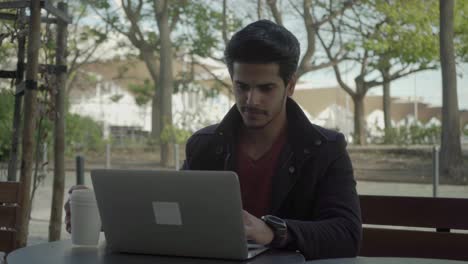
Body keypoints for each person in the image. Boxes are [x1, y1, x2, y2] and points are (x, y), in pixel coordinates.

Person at [65, 20, 361, 260]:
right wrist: (104, 214)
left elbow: (347, 234)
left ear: (290, 86)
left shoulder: (325, 148)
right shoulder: (205, 145)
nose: (251, 100)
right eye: (241, 86)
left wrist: (273, 232)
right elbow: (174, 216)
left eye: (266, 88)